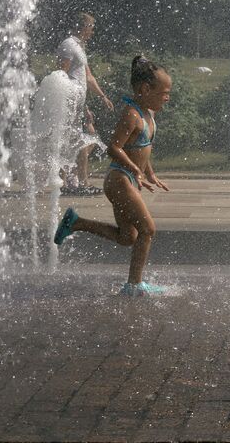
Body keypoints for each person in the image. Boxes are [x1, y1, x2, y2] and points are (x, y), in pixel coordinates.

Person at [54, 56, 173, 295]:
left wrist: (149, 172)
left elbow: (142, 148)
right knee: (148, 230)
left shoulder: (149, 115)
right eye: (164, 93)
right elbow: (113, 148)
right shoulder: (132, 114)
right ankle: (134, 285)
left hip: (128, 179)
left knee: (128, 236)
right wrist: (136, 170)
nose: (167, 97)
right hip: (119, 180)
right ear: (144, 89)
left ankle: (76, 222)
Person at [57, 13, 114, 193]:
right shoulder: (68, 45)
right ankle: (75, 183)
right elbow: (61, 75)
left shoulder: (79, 47)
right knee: (76, 139)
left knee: (82, 138)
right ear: (82, 27)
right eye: (90, 26)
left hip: (78, 102)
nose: (92, 30)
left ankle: (72, 181)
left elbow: (87, 77)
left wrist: (101, 97)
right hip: (69, 101)